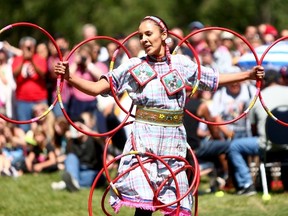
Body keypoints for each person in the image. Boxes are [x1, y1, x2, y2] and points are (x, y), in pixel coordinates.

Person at [54, 15, 264, 216]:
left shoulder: (182, 64)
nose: (144, 40)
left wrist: (249, 75)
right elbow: (97, 87)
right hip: (144, 143)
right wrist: (69, 77)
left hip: (174, 145)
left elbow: (214, 79)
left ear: (163, 35)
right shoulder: (133, 66)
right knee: (144, 208)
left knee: (176, 207)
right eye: (140, 36)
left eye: (148, 34)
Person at [228, 69, 288, 196]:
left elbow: (253, 127)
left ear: (263, 81)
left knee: (234, 146)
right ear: (279, 79)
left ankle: (247, 185)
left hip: (266, 144)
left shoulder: (257, 97)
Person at [51, 115, 105, 192]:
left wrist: (86, 131)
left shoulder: (93, 139)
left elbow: (102, 139)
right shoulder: (72, 142)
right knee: (70, 157)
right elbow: (69, 158)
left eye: (79, 128)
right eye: (74, 128)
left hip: (91, 171)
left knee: (97, 178)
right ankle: (74, 182)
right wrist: (69, 139)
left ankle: (67, 184)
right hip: (76, 170)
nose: (77, 130)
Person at [12, 36, 48, 132]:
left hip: (40, 99)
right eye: (26, 47)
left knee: (43, 128)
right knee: (24, 128)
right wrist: (24, 59)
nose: (28, 49)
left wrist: (31, 60)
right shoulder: (17, 59)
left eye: (30, 47)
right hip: (23, 100)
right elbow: (14, 74)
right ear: (21, 47)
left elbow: (43, 73)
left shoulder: (40, 59)